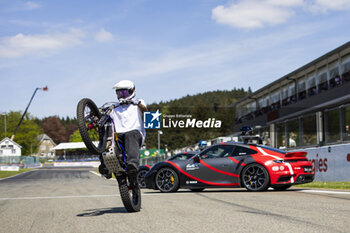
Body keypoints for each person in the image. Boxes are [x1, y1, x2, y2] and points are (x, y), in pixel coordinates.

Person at [99, 80, 147, 179]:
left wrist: (136, 103)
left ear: (131, 91)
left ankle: (133, 164)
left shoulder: (138, 102)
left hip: (135, 134)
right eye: (119, 93)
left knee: (130, 134)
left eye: (124, 93)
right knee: (106, 133)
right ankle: (105, 166)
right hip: (119, 136)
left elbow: (144, 108)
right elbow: (103, 116)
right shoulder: (115, 107)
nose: (121, 96)